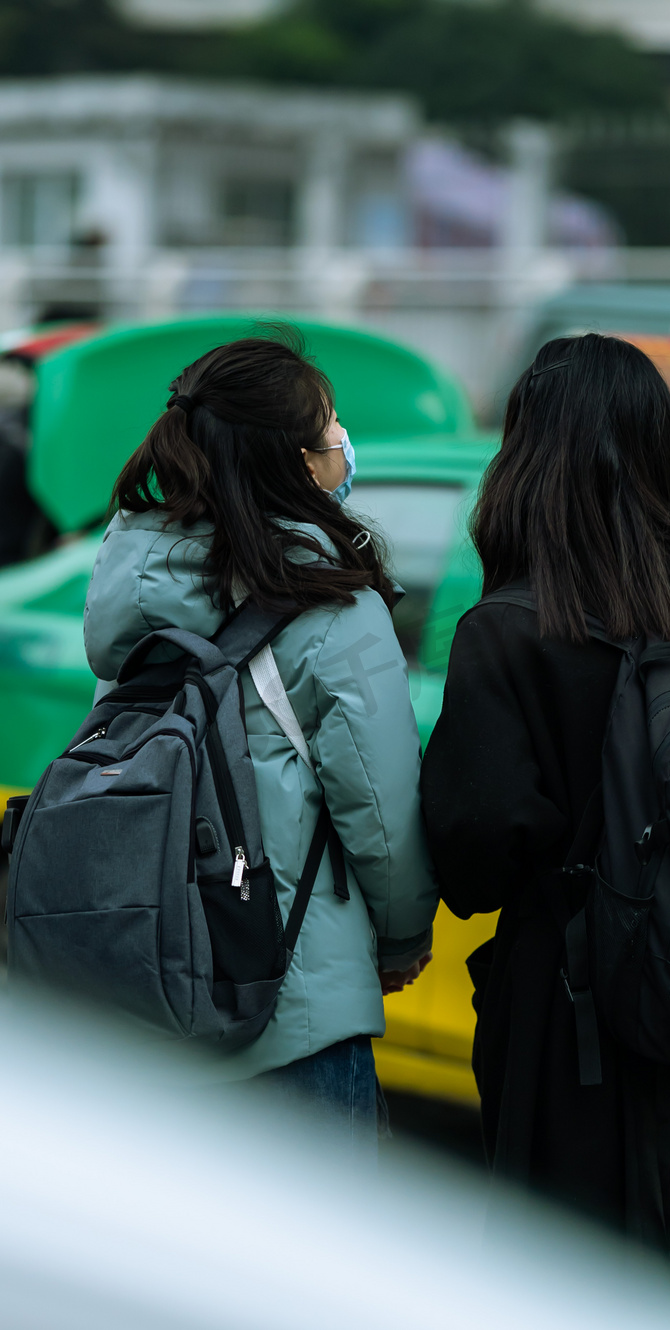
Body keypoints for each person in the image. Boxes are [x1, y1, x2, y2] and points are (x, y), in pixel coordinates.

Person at [420, 333, 670, 1306]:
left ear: (523, 454)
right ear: (653, 446)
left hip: (568, 1015)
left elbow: (474, 857)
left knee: (567, 1283)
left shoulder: (504, 627)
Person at [83, 328, 437, 1152]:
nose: (345, 446)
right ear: (295, 462)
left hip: (150, 988)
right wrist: (403, 935)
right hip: (291, 1007)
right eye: (332, 429)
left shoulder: (133, 596)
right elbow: (380, 811)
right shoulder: (330, 607)